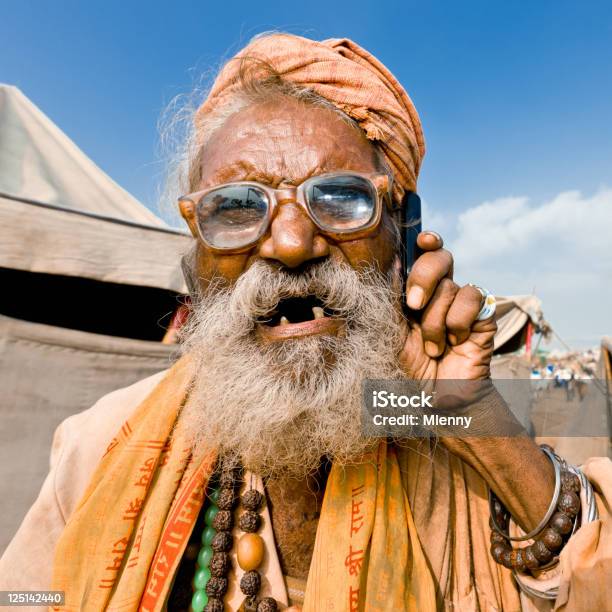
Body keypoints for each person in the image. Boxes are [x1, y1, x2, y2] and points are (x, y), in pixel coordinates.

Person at [1, 33, 610, 612]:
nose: (291, 244)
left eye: (341, 199)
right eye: (238, 206)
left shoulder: (457, 426)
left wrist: (476, 421)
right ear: (194, 259)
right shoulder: (99, 444)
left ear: (402, 246)